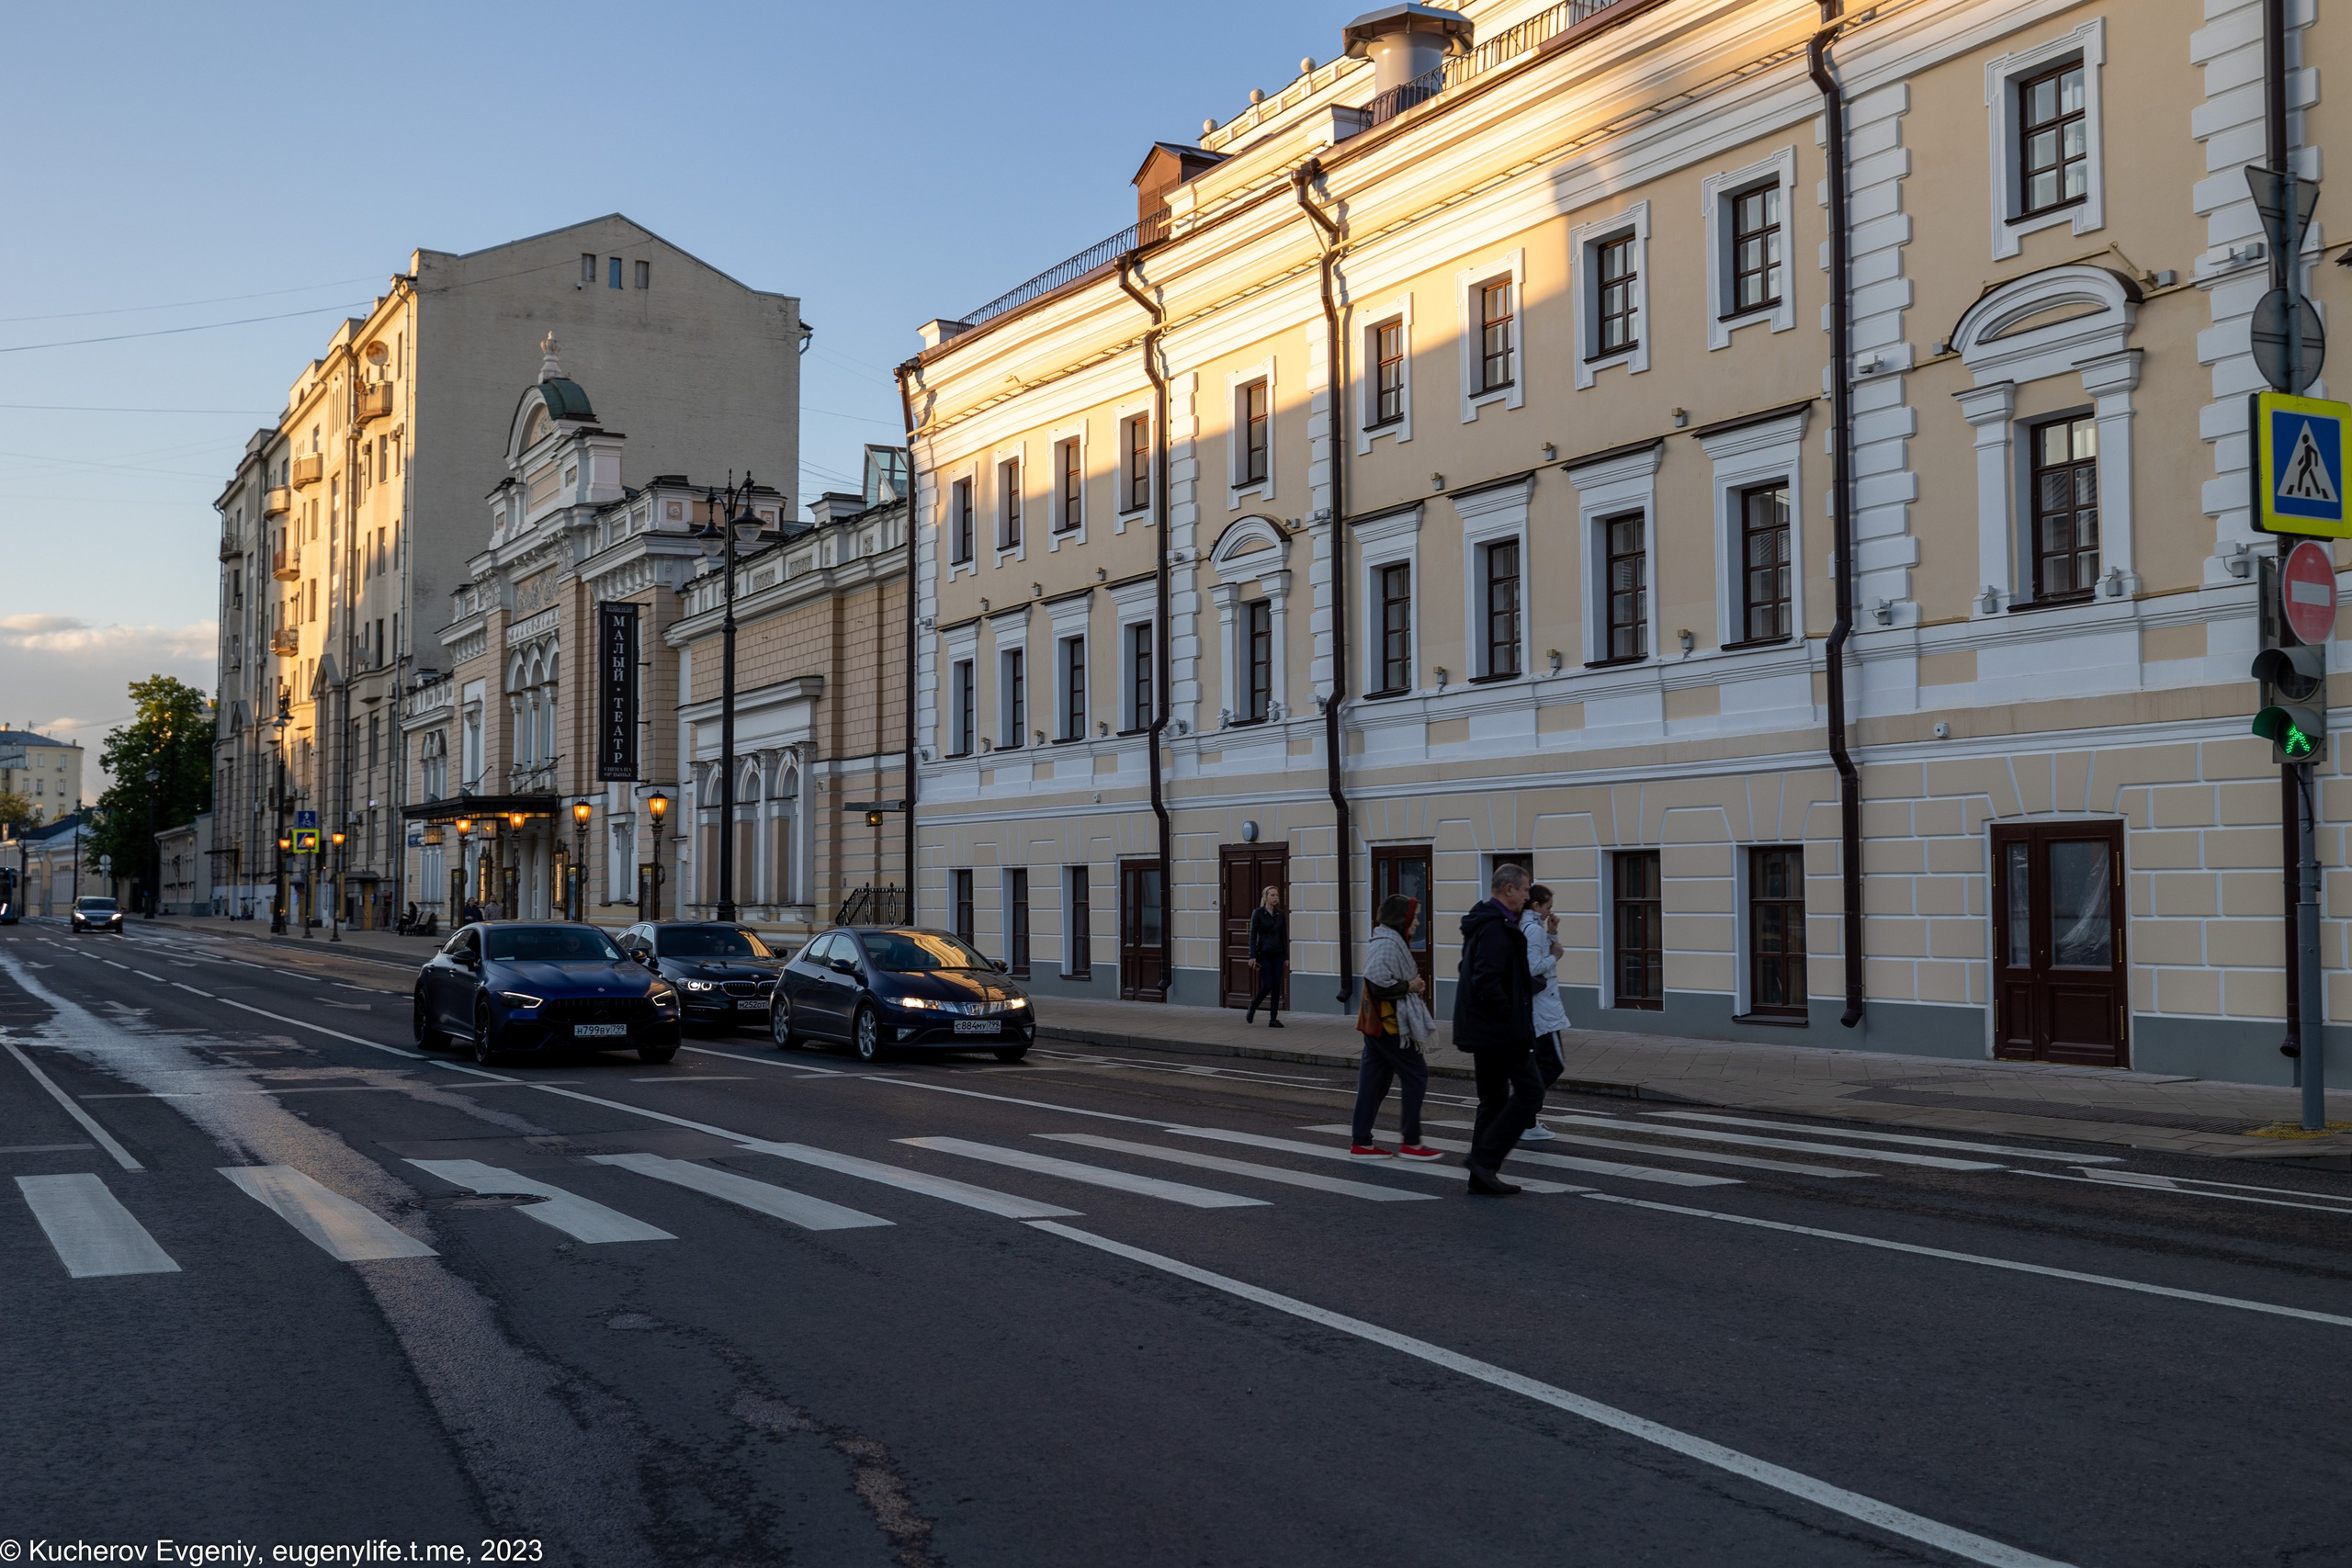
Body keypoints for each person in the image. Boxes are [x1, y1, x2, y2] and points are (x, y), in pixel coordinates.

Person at [1453, 862, 1542, 1195]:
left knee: (1492, 1099)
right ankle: (1484, 1160)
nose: (1527, 896)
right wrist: (1510, 1016)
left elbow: (1470, 968)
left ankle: (1481, 1176)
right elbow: (1485, 980)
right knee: (1531, 1092)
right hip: (1499, 1031)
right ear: (1508, 889)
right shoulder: (1494, 927)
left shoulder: (1487, 922)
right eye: (1525, 889)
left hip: (1484, 1029)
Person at [1349, 896, 1443, 1160]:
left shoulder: (1388, 939)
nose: (1417, 922)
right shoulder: (1388, 943)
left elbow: (1381, 980)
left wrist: (1410, 985)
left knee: (1374, 1083)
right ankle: (1411, 1143)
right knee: (1417, 1075)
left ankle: (1361, 1142)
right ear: (1401, 918)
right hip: (1389, 1024)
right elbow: (1376, 982)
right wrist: (1409, 986)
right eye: (1414, 917)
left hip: (1376, 1023)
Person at [1519, 884, 1570, 1142]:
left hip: (1538, 1008)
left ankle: (1526, 1120)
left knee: (1539, 1065)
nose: (1551, 912)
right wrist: (1555, 956)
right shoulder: (1533, 930)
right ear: (1536, 906)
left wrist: (1551, 934)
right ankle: (1523, 1113)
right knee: (1554, 1065)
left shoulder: (1530, 928)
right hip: (1543, 1011)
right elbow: (1534, 967)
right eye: (1548, 907)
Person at [1243, 884, 1288, 1027]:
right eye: (1272, 895)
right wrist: (1252, 956)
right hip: (1264, 953)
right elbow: (1252, 936)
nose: (1275, 898)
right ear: (1266, 897)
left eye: (1277, 895)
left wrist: (1286, 957)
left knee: (1276, 986)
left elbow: (1284, 936)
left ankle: (1273, 1019)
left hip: (1278, 953)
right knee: (1268, 984)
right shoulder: (1258, 913)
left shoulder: (1280, 914)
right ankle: (1253, 1006)